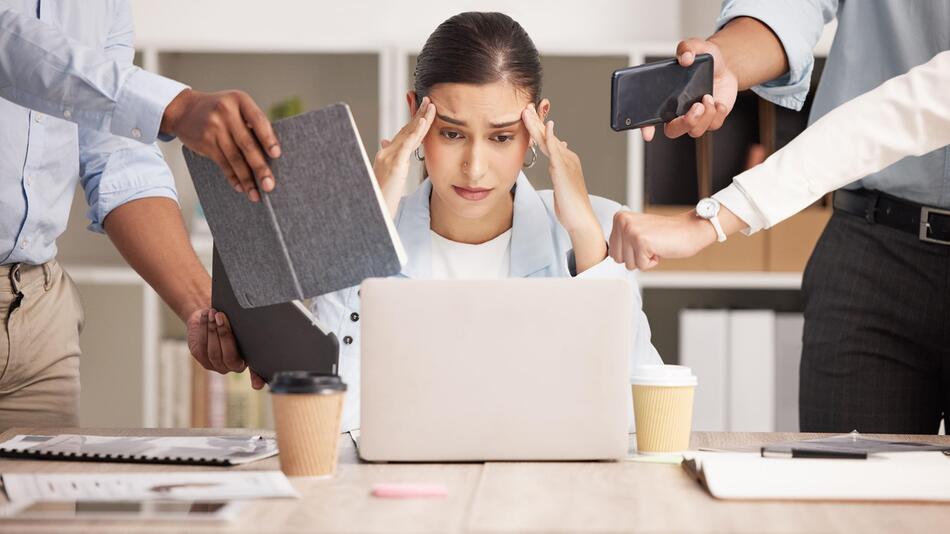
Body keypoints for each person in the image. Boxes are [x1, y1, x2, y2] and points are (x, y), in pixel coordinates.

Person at [308, 11, 662, 432]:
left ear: (535, 126)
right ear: (414, 120)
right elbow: (324, 420)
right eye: (452, 133)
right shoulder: (363, 239)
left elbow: (633, 420)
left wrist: (585, 235)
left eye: (501, 137)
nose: (474, 169)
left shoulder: (598, 227)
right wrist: (370, 228)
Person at [611, 1, 950, 434]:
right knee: (842, 486)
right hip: (872, 239)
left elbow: (911, 110)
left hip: (857, 187)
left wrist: (712, 220)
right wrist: (723, 60)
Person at [0, 0, 278, 428]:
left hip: (39, 317)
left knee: (45, 490)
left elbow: (115, 152)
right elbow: (9, 44)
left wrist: (207, 310)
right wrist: (176, 107)